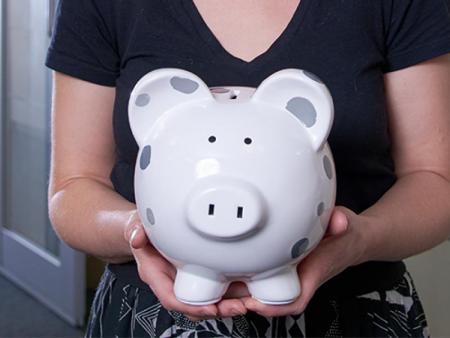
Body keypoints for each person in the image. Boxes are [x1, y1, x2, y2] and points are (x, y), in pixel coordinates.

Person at [45, 0, 450, 337]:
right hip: (152, 311)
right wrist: (142, 233)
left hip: (356, 310)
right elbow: (73, 187)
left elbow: (435, 179)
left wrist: (361, 240)